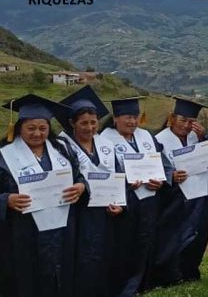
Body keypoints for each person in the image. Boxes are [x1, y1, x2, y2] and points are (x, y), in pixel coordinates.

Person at [0, 94, 86, 297]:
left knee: (62, 275)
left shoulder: (62, 150)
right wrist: (6, 200)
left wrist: (81, 186)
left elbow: (79, 176)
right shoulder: (4, 155)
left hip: (62, 228)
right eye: (31, 128)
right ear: (19, 127)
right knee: (26, 279)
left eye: (43, 128)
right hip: (23, 231)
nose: (37, 133)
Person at [56, 86, 124, 296]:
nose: (90, 127)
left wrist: (120, 204)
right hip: (77, 214)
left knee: (105, 255)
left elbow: (118, 175)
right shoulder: (61, 146)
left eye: (93, 122)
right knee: (80, 258)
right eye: (83, 123)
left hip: (105, 213)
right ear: (72, 123)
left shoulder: (105, 144)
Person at [101, 96, 173, 295]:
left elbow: (164, 164)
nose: (132, 122)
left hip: (149, 199)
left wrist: (163, 179)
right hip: (125, 202)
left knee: (146, 242)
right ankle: (123, 287)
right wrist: (124, 182)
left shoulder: (146, 136)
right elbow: (102, 172)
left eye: (135, 117)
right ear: (115, 118)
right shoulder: (103, 140)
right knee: (125, 246)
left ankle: (143, 284)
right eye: (127, 117)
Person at [153, 97, 208, 285]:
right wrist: (170, 176)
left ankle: (190, 270)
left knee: (198, 233)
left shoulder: (198, 137)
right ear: (172, 118)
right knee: (173, 235)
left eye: (191, 121)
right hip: (174, 198)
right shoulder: (158, 140)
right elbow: (152, 167)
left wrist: (205, 138)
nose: (187, 126)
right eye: (183, 120)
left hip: (199, 195)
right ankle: (171, 274)